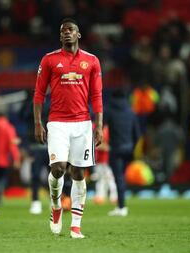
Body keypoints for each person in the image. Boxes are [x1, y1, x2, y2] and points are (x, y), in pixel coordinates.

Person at [33, 18, 103, 239]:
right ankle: (56, 206)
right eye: (63, 31)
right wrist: (37, 122)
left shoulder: (91, 61)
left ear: (78, 34)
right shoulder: (49, 60)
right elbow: (38, 93)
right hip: (57, 123)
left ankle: (75, 226)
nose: (66, 33)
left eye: (71, 30)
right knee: (58, 169)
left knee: (79, 173)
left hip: (82, 124)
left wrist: (99, 125)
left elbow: (97, 95)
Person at [105, 89, 140, 217]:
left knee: (119, 178)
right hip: (129, 149)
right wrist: (132, 147)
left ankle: (121, 207)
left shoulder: (110, 110)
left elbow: (102, 124)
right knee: (122, 178)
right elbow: (137, 134)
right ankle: (121, 205)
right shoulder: (131, 112)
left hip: (116, 149)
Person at [0, 112, 21, 204]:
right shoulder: (9, 127)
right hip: (5, 158)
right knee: (3, 178)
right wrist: (16, 158)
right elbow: (12, 144)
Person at [91, 124, 118, 205]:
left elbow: (109, 144)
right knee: (103, 179)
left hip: (106, 159)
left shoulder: (107, 129)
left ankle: (112, 197)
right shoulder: (96, 127)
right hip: (99, 159)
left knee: (109, 178)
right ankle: (102, 197)